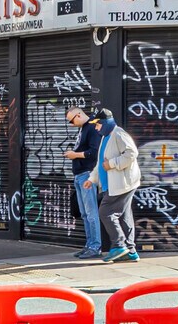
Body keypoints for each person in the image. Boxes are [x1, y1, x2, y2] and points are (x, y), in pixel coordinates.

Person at [93, 108, 141, 263]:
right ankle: (131, 251)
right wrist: (92, 178)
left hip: (123, 183)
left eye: (98, 124)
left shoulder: (119, 134)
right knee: (125, 217)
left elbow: (132, 153)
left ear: (105, 122)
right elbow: (101, 162)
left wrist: (113, 164)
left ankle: (119, 245)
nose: (96, 128)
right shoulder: (106, 137)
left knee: (105, 211)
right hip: (114, 184)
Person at [65, 106, 104, 259]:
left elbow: (94, 152)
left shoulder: (92, 128)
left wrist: (75, 155)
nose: (71, 124)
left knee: (91, 212)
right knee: (84, 214)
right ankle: (89, 244)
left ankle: (95, 246)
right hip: (79, 175)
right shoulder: (83, 128)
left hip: (87, 175)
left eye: (71, 121)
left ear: (79, 115)